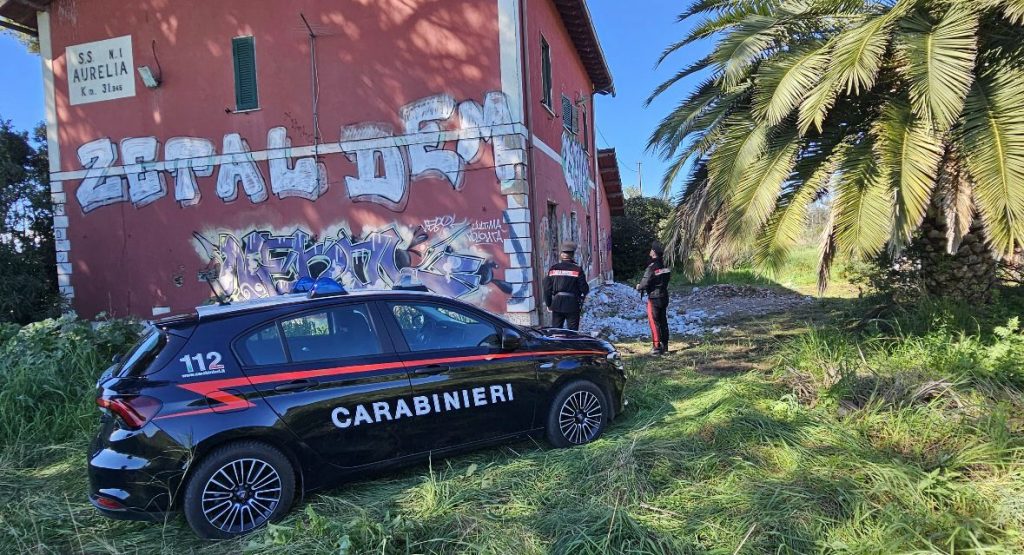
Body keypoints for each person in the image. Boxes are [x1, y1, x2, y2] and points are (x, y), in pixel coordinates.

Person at [543, 241, 589, 330]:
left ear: (561, 255)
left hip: (557, 304)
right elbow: (584, 288)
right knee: (573, 333)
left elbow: (547, 289)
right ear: (572, 255)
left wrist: (549, 304)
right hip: (572, 304)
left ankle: (557, 343)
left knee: (556, 331)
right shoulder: (577, 269)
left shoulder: (553, 269)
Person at [636, 241, 671, 355]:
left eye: (651, 249)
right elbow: (666, 279)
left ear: (654, 252)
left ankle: (656, 347)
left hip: (654, 298)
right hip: (664, 295)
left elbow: (645, 283)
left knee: (654, 322)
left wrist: (638, 287)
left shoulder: (652, 267)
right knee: (663, 321)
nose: (650, 251)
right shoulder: (666, 266)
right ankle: (665, 345)